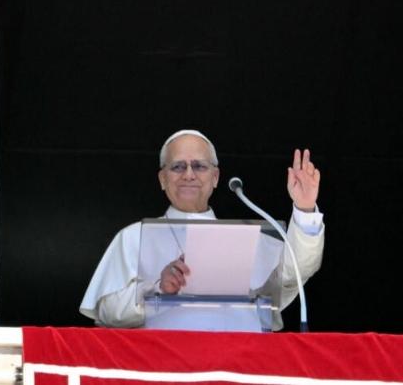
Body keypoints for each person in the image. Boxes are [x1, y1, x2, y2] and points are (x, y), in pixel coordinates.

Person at [79, 129, 324, 330]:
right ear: (162, 179)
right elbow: (105, 312)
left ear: (216, 177)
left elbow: (295, 273)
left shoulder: (247, 239)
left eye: (199, 166)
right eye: (177, 167)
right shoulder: (133, 236)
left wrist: (304, 209)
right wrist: (156, 289)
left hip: (238, 366)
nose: (188, 175)